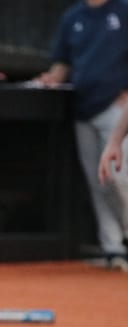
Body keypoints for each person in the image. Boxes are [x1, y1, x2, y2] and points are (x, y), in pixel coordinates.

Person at [35, 0, 128, 271]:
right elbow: (62, 64)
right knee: (98, 180)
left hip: (117, 107)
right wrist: (51, 78)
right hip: (82, 107)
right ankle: (112, 248)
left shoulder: (124, 10)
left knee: (119, 177)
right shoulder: (73, 16)